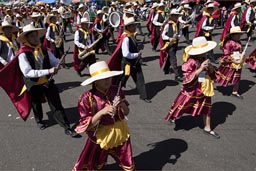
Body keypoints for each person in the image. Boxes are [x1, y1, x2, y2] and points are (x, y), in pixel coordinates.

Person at [17, 24, 77, 137]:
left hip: (48, 81)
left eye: (36, 36)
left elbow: (53, 60)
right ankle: (39, 120)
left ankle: (66, 126)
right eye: (32, 37)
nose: (35, 38)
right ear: (27, 39)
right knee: (36, 104)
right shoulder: (23, 53)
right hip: (33, 84)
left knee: (56, 104)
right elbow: (27, 72)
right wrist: (48, 71)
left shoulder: (43, 48)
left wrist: (58, 64)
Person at [73, 61, 135, 171]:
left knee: (127, 161)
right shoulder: (87, 98)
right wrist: (101, 112)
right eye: (103, 78)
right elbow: (86, 125)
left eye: (109, 77)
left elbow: (126, 112)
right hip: (100, 136)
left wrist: (121, 105)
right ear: (95, 82)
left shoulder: (116, 90)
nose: (108, 80)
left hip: (120, 132)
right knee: (96, 164)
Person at [165, 36, 220, 139]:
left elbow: (213, 73)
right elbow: (187, 78)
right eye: (203, 51)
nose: (205, 52)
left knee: (207, 107)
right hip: (192, 88)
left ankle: (207, 127)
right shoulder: (190, 61)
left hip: (204, 87)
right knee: (183, 103)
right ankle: (173, 117)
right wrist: (200, 69)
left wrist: (211, 68)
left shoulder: (204, 58)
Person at [216, 26, 245, 99]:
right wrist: (232, 60)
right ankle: (208, 82)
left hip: (238, 62)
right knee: (221, 75)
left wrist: (242, 55)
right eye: (237, 34)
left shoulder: (239, 42)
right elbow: (226, 54)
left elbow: (240, 51)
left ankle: (235, 92)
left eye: (240, 34)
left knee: (237, 77)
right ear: (232, 35)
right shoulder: (228, 43)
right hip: (229, 63)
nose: (239, 36)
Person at [160, 9, 183, 82]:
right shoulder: (168, 25)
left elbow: (180, 32)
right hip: (169, 44)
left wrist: (178, 36)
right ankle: (177, 75)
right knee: (173, 59)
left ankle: (166, 69)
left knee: (170, 56)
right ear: (171, 16)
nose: (176, 17)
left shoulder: (178, 24)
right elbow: (163, 35)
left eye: (177, 16)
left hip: (175, 43)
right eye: (175, 16)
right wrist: (169, 38)